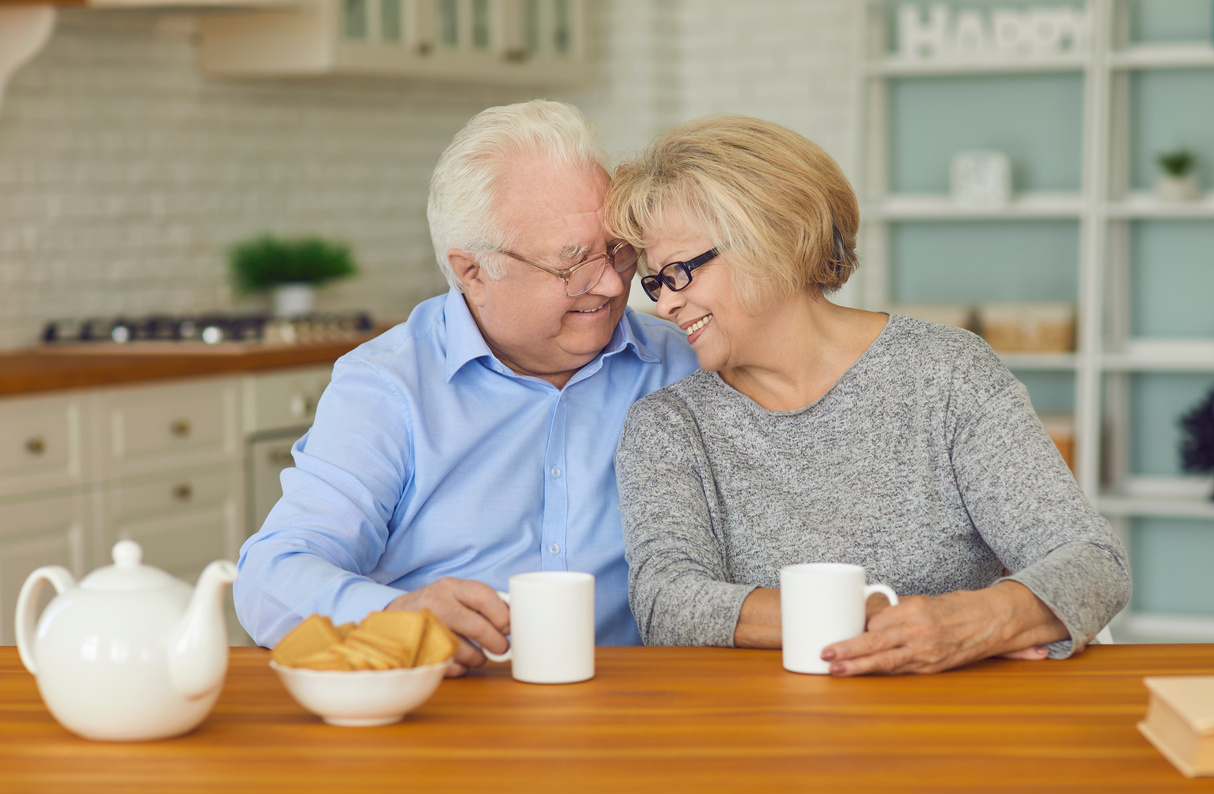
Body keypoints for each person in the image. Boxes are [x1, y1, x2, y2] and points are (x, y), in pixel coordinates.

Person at [605, 115, 1130, 676]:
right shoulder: (668, 424)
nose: (664, 306)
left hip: (950, 719)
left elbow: (1093, 564)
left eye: (680, 271)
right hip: (761, 730)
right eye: (655, 282)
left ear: (775, 238)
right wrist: (864, 618)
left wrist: (974, 621)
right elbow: (666, 603)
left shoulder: (947, 373)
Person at [234, 101, 698, 675]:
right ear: (473, 271)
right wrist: (395, 612)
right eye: (572, 262)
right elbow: (273, 573)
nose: (609, 283)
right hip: (450, 708)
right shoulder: (389, 386)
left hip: (635, 701)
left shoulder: (684, 362)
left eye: (619, 250)